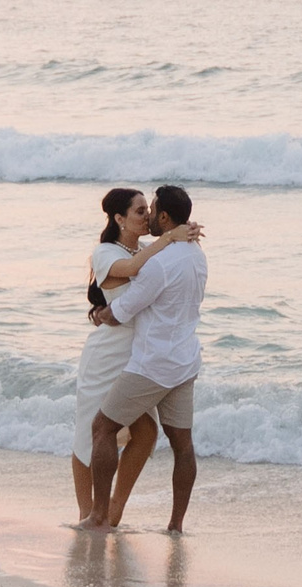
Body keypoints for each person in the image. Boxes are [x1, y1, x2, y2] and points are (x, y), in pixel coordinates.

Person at [81, 184, 208, 533]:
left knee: (102, 428)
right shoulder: (197, 254)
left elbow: (124, 310)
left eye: (152, 208)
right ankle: (175, 525)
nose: (149, 214)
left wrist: (101, 315)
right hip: (185, 362)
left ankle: (98, 516)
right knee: (182, 445)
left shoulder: (159, 264)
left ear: (165, 216)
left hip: (152, 365)